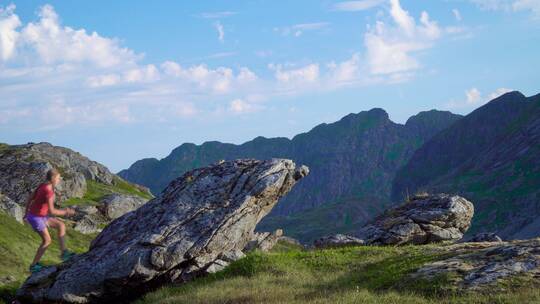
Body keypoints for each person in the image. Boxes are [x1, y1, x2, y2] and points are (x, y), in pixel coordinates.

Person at [23, 168, 77, 273]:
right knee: (47, 241)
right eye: (58, 178)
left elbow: (30, 198)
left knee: (61, 225)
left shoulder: (42, 185)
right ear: (53, 178)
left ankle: (64, 253)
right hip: (36, 218)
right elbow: (52, 211)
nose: (59, 180)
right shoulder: (49, 191)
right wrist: (66, 212)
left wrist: (26, 213)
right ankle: (34, 266)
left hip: (39, 216)